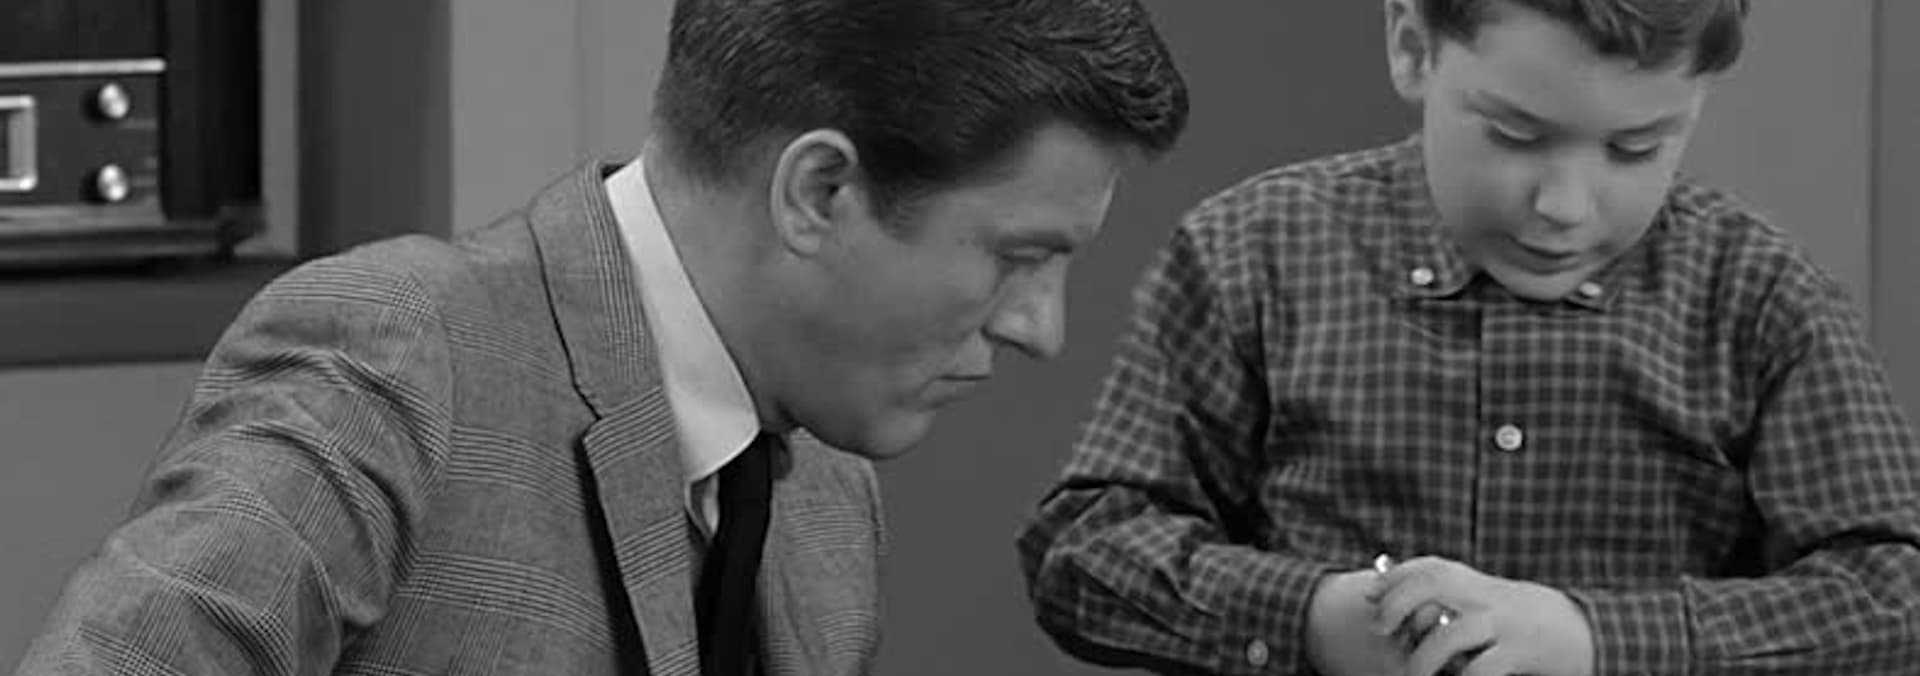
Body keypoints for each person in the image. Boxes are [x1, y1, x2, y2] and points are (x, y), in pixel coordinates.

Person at [14, 1, 1188, 674]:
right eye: (1018, 257)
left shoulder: (830, 507)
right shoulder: (397, 356)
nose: (1041, 329)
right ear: (820, 192)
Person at [1017, 1, 1920, 675]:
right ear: (1413, 45)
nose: (1564, 206)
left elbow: (1895, 595)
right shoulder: (1250, 257)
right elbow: (1082, 555)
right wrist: (1312, 620)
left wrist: (1595, 641)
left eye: (1636, 149)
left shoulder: (1762, 300)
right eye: (1515, 134)